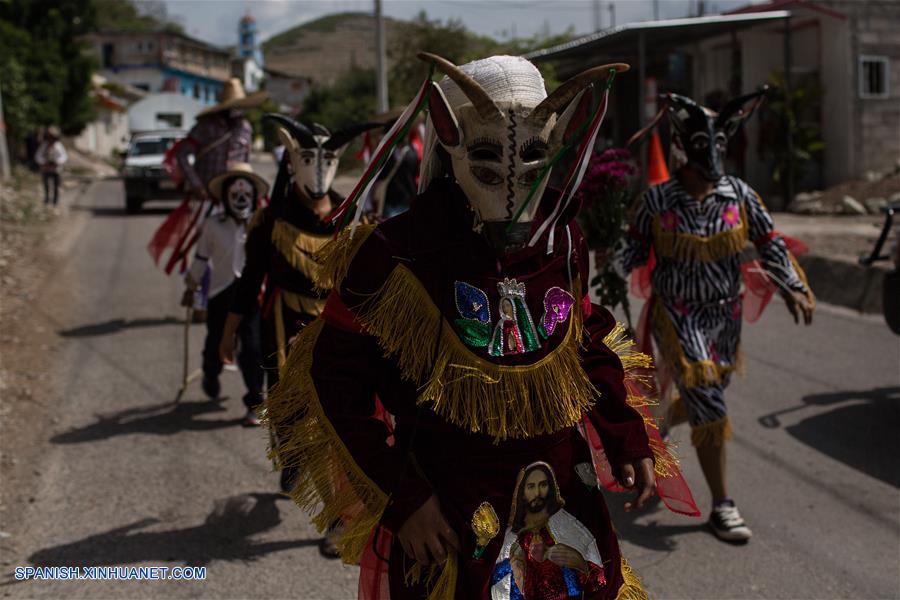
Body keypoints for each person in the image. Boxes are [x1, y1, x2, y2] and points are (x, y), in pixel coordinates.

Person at [261, 53, 689, 599]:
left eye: (533, 153)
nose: (512, 185)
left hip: (561, 497)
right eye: (486, 154)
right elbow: (335, 378)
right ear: (449, 136)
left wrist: (626, 435)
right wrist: (405, 498)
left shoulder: (562, 238)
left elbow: (586, 338)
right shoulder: (396, 253)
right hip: (450, 513)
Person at [614, 91, 815, 544]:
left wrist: (793, 285)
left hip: (726, 318)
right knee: (711, 401)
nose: (712, 155)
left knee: (709, 397)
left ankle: (663, 417)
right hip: (677, 315)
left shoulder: (740, 194)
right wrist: (605, 277)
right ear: (684, 146)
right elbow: (630, 250)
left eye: (719, 144)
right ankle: (723, 505)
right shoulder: (657, 200)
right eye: (703, 145)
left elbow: (770, 243)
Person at [218, 116, 380, 490]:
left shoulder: (351, 217)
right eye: (309, 159)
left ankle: (338, 484)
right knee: (288, 397)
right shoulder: (272, 219)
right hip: (283, 319)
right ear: (292, 162)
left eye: (328, 160)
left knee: (337, 404)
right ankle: (292, 455)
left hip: (336, 323)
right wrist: (229, 333)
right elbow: (249, 283)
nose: (319, 170)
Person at [182, 162, 267, 425]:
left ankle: (255, 400)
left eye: (246, 195)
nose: (241, 200)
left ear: (254, 197)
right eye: (235, 195)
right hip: (221, 294)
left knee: (253, 348)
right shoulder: (212, 225)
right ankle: (211, 373)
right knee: (215, 343)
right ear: (225, 197)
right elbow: (200, 257)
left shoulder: (262, 224)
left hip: (252, 296)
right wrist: (191, 285)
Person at [34, 126, 68, 207]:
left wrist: (57, 162)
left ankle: (55, 201)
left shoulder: (58, 146)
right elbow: (37, 156)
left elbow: (64, 156)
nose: (50, 139)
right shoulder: (44, 145)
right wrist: (43, 162)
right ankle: (46, 200)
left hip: (56, 169)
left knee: (56, 186)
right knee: (46, 185)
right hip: (46, 169)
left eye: (52, 137)